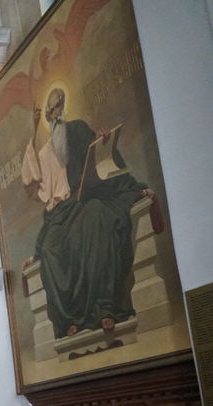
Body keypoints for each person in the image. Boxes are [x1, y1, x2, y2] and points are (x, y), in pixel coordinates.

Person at [21, 87, 154, 338]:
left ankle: (104, 308)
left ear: (64, 106)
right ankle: (68, 320)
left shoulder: (79, 129)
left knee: (95, 220)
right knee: (50, 248)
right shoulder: (45, 152)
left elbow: (102, 158)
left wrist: (104, 142)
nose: (55, 113)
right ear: (47, 115)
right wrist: (33, 129)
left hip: (91, 197)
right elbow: (31, 178)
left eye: (58, 106)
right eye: (51, 109)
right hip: (62, 212)